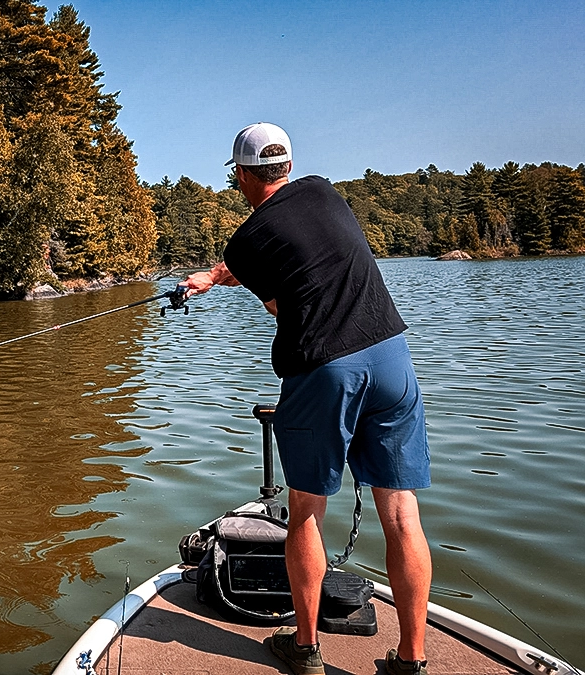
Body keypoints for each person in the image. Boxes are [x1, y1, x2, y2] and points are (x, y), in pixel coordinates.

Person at [179, 123, 432, 675]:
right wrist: (217, 277)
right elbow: (302, 251)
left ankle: (305, 648)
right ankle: (411, 660)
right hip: (391, 356)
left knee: (306, 513)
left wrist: (232, 275)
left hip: (326, 368)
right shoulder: (322, 191)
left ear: (241, 175)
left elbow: (279, 303)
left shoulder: (245, 241)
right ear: (288, 166)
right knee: (401, 513)